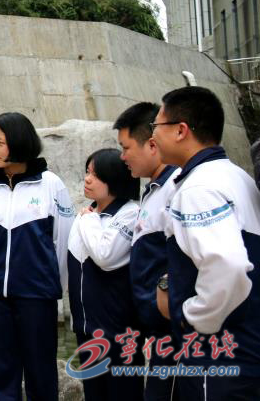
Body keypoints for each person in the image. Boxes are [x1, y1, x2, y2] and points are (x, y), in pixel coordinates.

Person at [153, 86, 260, 400]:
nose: (153, 135)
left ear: (181, 130)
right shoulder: (236, 176)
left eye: (156, 126)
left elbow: (229, 265)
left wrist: (192, 317)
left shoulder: (199, 188)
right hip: (246, 346)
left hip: (216, 353)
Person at [0, 112, 74, 401]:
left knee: (41, 373)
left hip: (36, 295)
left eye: (0, 142)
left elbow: (63, 241)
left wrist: (52, 286)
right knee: (2, 374)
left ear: (19, 141)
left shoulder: (51, 185)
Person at [114, 102, 180, 401]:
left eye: (126, 147)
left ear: (152, 145)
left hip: (174, 331)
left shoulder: (177, 190)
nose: (122, 156)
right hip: (157, 332)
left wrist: (163, 296)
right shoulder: (154, 191)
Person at [67, 148, 142, 401]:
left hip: (118, 331)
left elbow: (105, 255)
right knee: (94, 393)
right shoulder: (87, 214)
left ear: (115, 179)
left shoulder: (130, 213)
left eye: (96, 175)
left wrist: (89, 220)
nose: (87, 179)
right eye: (87, 172)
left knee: (123, 393)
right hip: (86, 328)